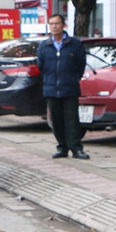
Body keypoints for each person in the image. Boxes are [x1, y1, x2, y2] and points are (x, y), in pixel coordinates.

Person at [37, 14, 89, 159]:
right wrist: (49, 80)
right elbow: (41, 66)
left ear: (63, 25)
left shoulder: (75, 44)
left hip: (69, 88)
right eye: (51, 24)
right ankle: (62, 147)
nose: (54, 26)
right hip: (51, 88)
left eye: (57, 23)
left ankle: (76, 148)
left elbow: (80, 65)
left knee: (72, 120)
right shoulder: (44, 46)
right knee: (56, 120)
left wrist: (73, 78)